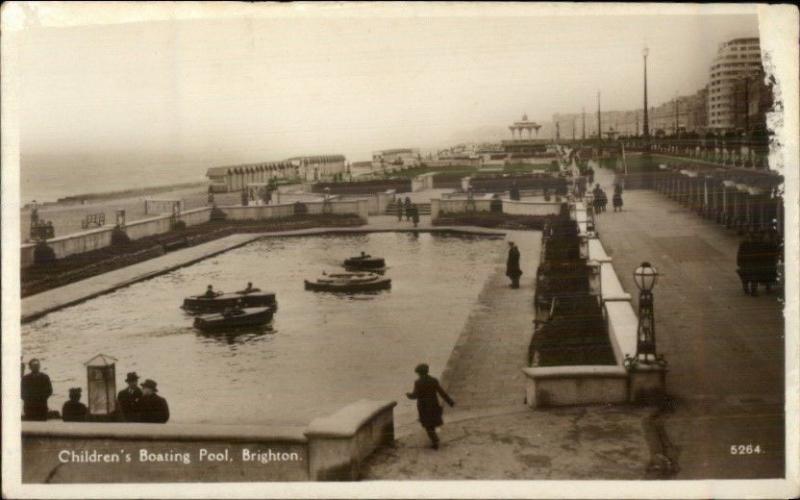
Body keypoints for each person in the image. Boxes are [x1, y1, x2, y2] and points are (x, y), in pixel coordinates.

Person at [406, 364, 454, 450]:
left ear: (419, 373)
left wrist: (408, 395)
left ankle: (435, 441)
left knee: (428, 425)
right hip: (433, 405)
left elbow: (415, 395)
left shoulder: (418, 382)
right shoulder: (433, 380)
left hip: (423, 407)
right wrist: (450, 402)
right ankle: (435, 439)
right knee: (432, 423)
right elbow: (441, 392)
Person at [737, 232, 759, 296]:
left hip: (752, 263)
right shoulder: (743, 244)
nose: (749, 239)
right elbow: (740, 254)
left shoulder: (754, 245)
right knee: (746, 277)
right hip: (745, 262)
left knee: (753, 277)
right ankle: (747, 288)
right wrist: (739, 262)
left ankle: (753, 290)